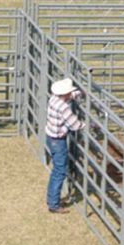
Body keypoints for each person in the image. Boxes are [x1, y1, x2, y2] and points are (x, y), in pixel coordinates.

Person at [45, 77, 86, 214]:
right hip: (58, 141)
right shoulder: (63, 107)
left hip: (51, 137)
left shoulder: (54, 99)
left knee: (57, 170)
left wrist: (80, 93)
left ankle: (52, 199)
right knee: (60, 171)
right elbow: (75, 125)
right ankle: (54, 204)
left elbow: (69, 97)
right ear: (65, 94)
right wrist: (88, 125)